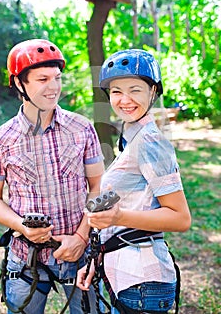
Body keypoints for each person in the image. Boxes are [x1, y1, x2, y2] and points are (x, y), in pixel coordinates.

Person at [0, 39, 105, 314]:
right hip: (26, 258)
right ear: (18, 83)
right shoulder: (0, 140)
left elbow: (97, 186)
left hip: (79, 253)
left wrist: (82, 238)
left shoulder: (82, 128)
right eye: (43, 79)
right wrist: (20, 225)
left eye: (57, 78)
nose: (54, 87)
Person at [77, 49, 192, 313]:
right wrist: (99, 258)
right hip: (127, 279)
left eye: (135, 90)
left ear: (153, 92)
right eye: (116, 91)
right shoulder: (133, 140)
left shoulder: (151, 143)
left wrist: (117, 217)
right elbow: (134, 206)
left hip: (143, 285)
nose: (124, 100)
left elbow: (180, 218)